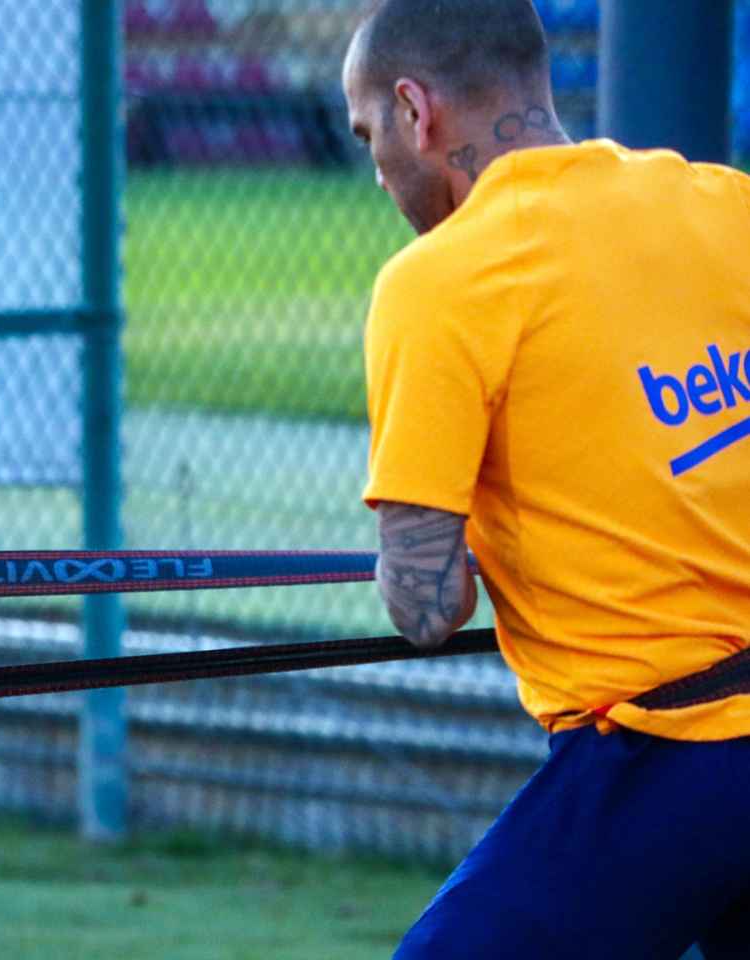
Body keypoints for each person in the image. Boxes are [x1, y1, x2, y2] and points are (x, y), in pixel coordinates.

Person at [344, 1, 750, 955]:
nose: (378, 171)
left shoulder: (438, 282)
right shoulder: (725, 201)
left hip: (666, 755)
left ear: (415, 111)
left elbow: (427, 604)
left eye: (369, 136)